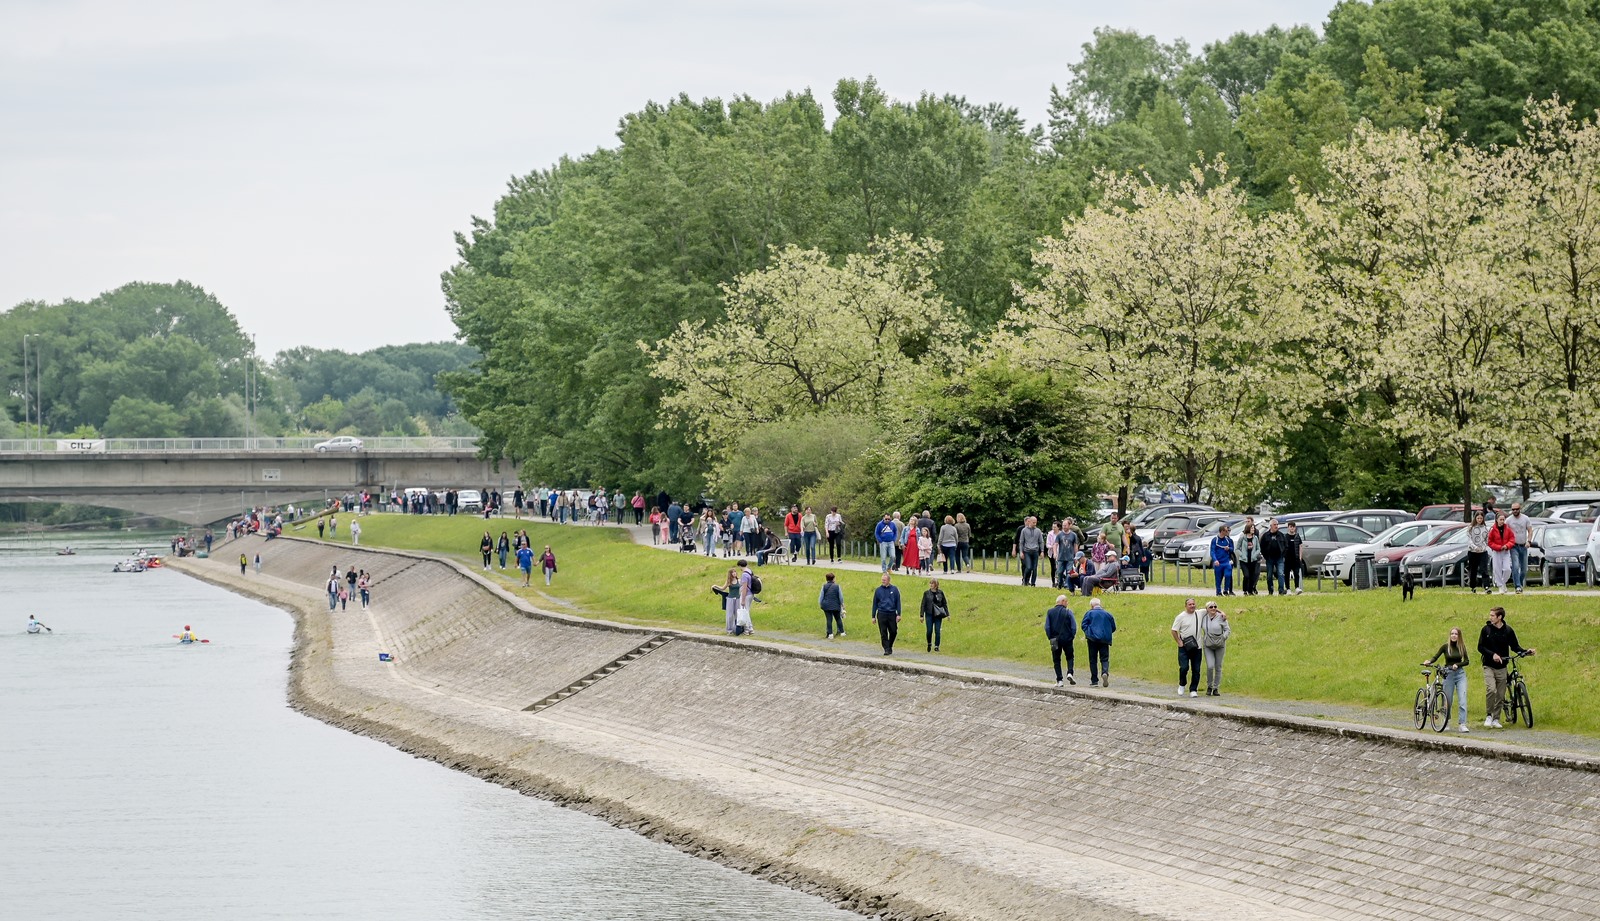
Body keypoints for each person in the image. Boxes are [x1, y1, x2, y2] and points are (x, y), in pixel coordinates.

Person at [1477, 606, 1535, 728]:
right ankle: (1489, 715)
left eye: (1493, 615)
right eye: (1490, 615)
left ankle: (1496, 719)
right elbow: (1480, 647)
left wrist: (1526, 651)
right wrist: (1492, 655)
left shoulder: (1508, 631)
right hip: (1489, 665)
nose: (1490, 617)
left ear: (1500, 617)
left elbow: (1515, 646)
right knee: (1491, 689)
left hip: (1502, 666)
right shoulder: (1486, 630)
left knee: (1501, 694)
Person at [1424, 626, 1472, 732]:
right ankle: (1446, 721)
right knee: (1447, 699)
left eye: (1456, 634)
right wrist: (1429, 661)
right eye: (1452, 634)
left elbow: (1467, 661)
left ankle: (1462, 723)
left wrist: (1457, 665)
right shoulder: (1446, 647)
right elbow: (1436, 656)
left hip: (1460, 674)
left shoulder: (1461, 647)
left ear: (1459, 636)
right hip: (1448, 673)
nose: (1454, 636)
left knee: (1462, 699)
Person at [1080, 598, 1116, 687]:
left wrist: (1089, 634)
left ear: (1092, 605)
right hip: (1104, 640)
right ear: (1100, 604)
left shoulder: (1089, 613)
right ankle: (1105, 672)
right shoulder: (1108, 614)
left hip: (1092, 640)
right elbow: (1113, 627)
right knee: (1104, 658)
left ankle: (1094, 680)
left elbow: (1083, 625)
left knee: (1093, 659)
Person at [1172, 598, 1204, 698]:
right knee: (1184, 667)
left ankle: (1193, 689)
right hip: (1185, 646)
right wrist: (1179, 641)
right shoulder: (1181, 617)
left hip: (1197, 646)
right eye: (1190, 604)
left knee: (1196, 669)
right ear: (1186, 606)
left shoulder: (1199, 613)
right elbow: (1174, 630)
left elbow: (1212, 608)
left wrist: (1222, 613)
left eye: (1193, 604)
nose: (1192, 606)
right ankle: (1182, 684)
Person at [1044, 595, 1077, 688]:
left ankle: (1059, 680)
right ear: (1062, 601)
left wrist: (1050, 637)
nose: (1067, 603)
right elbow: (1073, 626)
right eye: (1066, 601)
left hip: (1054, 640)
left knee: (1056, 659)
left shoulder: (1050, 612)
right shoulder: (1068, 612)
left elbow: (1047, 627)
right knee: (1070, 657)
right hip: (1067, 639)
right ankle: (1070, 672)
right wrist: (1072, 636)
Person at [1201, 601, 1230, 696]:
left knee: (1218, 666)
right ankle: (1209, 686)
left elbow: (1227, 630)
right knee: (1210, 666)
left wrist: (1223, 637)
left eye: (1215, 607)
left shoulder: (1221, 617)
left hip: (1219, 645)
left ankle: (1216, 688)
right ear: (1207, 609)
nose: (1213, 608)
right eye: (1211, 607)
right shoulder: (1204, 617)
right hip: (1208, 644)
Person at [1505, 502, 1533, 594]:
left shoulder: (1525, 518)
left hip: (1523, 545)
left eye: (1516, 509)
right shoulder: (1509, 520)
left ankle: (1519, 584)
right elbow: (1505, 532)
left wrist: (1529, 541)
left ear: (1520, 509)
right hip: (1514, 546)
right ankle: (1517, 586)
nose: (1515, 511)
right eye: (1513, 509)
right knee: (1515, 566)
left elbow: (1530, 530)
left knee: (1524, 569)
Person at [872, 572, 901, 656]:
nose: (883, 581)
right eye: (882, 580)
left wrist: (899, 614)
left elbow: (898, 602)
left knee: (893, 631)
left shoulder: (894, 590)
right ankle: (886, 648)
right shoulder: (878, 590)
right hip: (882, 613)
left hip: (892, 613)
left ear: (889, 580)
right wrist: (873, 616)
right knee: (883, 632)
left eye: (884, 580)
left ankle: (889, 645)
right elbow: (875, 604)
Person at [1486, 514, 1515, 594]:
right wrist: (1498, 547)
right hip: (1496, 551)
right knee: (1497, 569)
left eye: (1503, 519)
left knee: (1507, 569)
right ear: (1497, 520)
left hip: (1505, 551)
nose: (1502, 521)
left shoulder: (1508, 529)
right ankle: (1500, 586)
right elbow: (1490, 541)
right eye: (1500, 519)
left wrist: (1507, 545)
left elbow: (1512, 539)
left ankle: (1503, 582)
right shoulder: (1492, 529)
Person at [920, 578, 949, 652]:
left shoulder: (940, 593)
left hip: (938, 614)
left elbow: (944, 603)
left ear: (936, 585)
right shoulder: (926, 593)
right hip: (929, 614)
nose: (931, 585)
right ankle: (929, 643)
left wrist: (947, 614)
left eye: (932, 583)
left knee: (937, 630)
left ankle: (937, 645)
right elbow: (923, 604)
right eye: (930, 583)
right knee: (929, 630)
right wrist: (921, 615)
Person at [1015, 516, 1045, 586]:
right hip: (1027, 551)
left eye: (1036, 523)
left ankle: (1033, 583)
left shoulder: (1038, 531)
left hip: (1035, 551)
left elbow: (1041, 541)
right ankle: (1025, 580)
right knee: (1028, 567)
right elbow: (1021, 542)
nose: (1035, 524)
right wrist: (1021, 551)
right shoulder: (1024, 530)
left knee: (1034, 568)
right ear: (1030, 522)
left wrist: (1042, 551)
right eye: (1033, 522)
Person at [1466, 511, 1490, 594]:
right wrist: (1475, 547)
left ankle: (1486, 586)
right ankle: (1473, 586)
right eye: (1478, 518)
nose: (1479, 520)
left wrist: (1483, 548)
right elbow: (1469, 540)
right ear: (1475, 518)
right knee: (1473, 570)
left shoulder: (1485, 528)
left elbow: (1486, 540)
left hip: (1482, 551)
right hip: (1473, 552)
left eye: (1481, 518)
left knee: (1484, 569)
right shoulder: (1471, 528)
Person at [1209, 524, 1236, 596]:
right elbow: (1212, 551)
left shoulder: (1228, 540)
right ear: (1222, 531)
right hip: (1218, 562)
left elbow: (1232, 549)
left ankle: (1226, 590)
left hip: (1226, 561)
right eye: (1226, 531)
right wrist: (1215, 560)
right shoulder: (1215, 540)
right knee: (1218, 578)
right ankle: (1218, 592)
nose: (1228, 532)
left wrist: (1228, 549)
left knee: (1228, 575)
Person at [713, 568, 740, 635]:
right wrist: (715, 586)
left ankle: (736, 629)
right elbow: (723, 588)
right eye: (732, 572)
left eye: (735, 572)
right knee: (730, 615)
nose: (734, 573)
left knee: (737, 614)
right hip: (730, 598)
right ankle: (729, 630)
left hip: (737, 598)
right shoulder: (729, 581)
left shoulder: (739, 580)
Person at [1236, 523, 1260, 595]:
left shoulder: (1255, 538)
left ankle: (1250, 591)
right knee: (1246, 575)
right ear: (1248, 529)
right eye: (1252, 528)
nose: (1253, 529)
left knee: (1253, 576)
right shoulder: (1242, 538)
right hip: (1244, 560)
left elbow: (1258, 549)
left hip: (1253, 560)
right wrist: (1242, 555)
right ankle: (1245, 590)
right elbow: (1237, 549)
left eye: (1254, 528)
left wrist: (1255, 555)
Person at [819, 571, 845, 638]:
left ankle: (830, 634)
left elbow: (821, 597)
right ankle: (842, 632)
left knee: (829, 619)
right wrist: (842, 604)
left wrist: (821, 604)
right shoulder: (837, 586)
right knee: (838, 618)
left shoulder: (824, 586)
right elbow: (841, 597)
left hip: (826, 605)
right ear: (833, 579)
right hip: (835, 605)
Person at [1284, 522, 1304, 594]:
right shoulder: (1285, 537)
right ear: (1288, 528)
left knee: (1296, 573)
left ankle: (1297, 587)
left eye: (1293, 527)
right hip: (1287, 559)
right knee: (1286, 574)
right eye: (1290, 527)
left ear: (1295, 528)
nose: (1292, 528)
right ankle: (1288, 588)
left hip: (1295, 558)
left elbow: (1300, 546)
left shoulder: (1297, 536)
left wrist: (1300, 557)